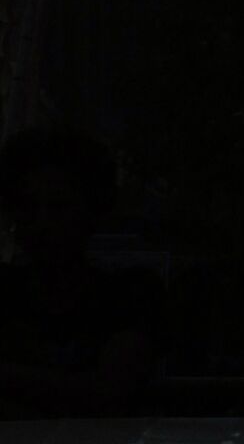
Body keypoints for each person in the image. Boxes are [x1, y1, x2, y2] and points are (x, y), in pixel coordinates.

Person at [0, 127, 163, 409]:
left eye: (58, 207)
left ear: (91, 213)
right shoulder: (5, 291)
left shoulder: (130, 295)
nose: (41, 222)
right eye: (28, 207)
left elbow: (109, 389)